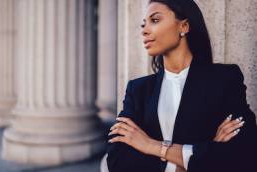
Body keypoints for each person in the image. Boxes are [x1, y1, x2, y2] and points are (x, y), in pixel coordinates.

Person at [106, 0, 257, 171]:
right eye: (143, 24)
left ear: (183, 26)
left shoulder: (225, 79)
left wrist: (150, 145)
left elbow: (245, 152)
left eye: (155, 20)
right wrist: (200, 155)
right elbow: (117, 160)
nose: (145, 30)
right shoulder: (138, 89)